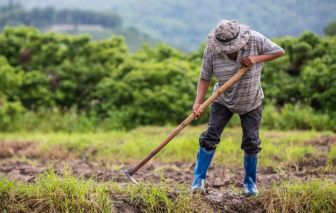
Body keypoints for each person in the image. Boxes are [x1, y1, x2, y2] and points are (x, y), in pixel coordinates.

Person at [191, 20, 285, 196]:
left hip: (251, 100)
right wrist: (198, 103)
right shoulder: (211, 50)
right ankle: (198, 182)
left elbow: (279, 51)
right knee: (210, 137)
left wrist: (256, 58)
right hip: (222, 99)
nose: (226, 50)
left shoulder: (255, 40)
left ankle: (250, 184)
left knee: (251, 142)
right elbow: (205, 77)